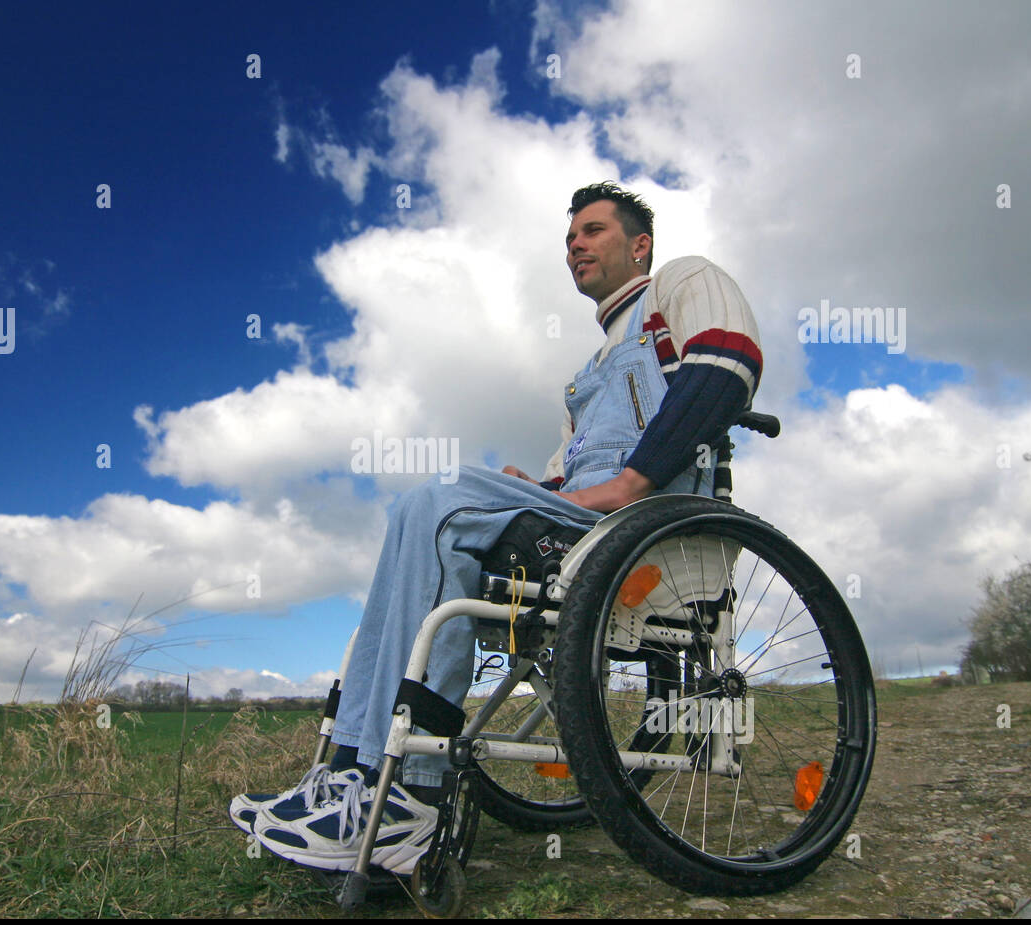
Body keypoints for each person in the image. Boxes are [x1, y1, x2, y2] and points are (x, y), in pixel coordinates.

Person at [230, 182, 763, 874]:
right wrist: (536, 488)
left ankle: (391, 796)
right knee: (428, 547)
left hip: (656, 524)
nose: (575, 243)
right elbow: (569, 480)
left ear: (640, 246)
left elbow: (729, 362)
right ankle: (364, 783)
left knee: (434, 499)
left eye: (593, 230)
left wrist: (634, 479)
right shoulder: (583, 381)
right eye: (570, 236)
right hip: (584, 525)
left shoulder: (683, 284)